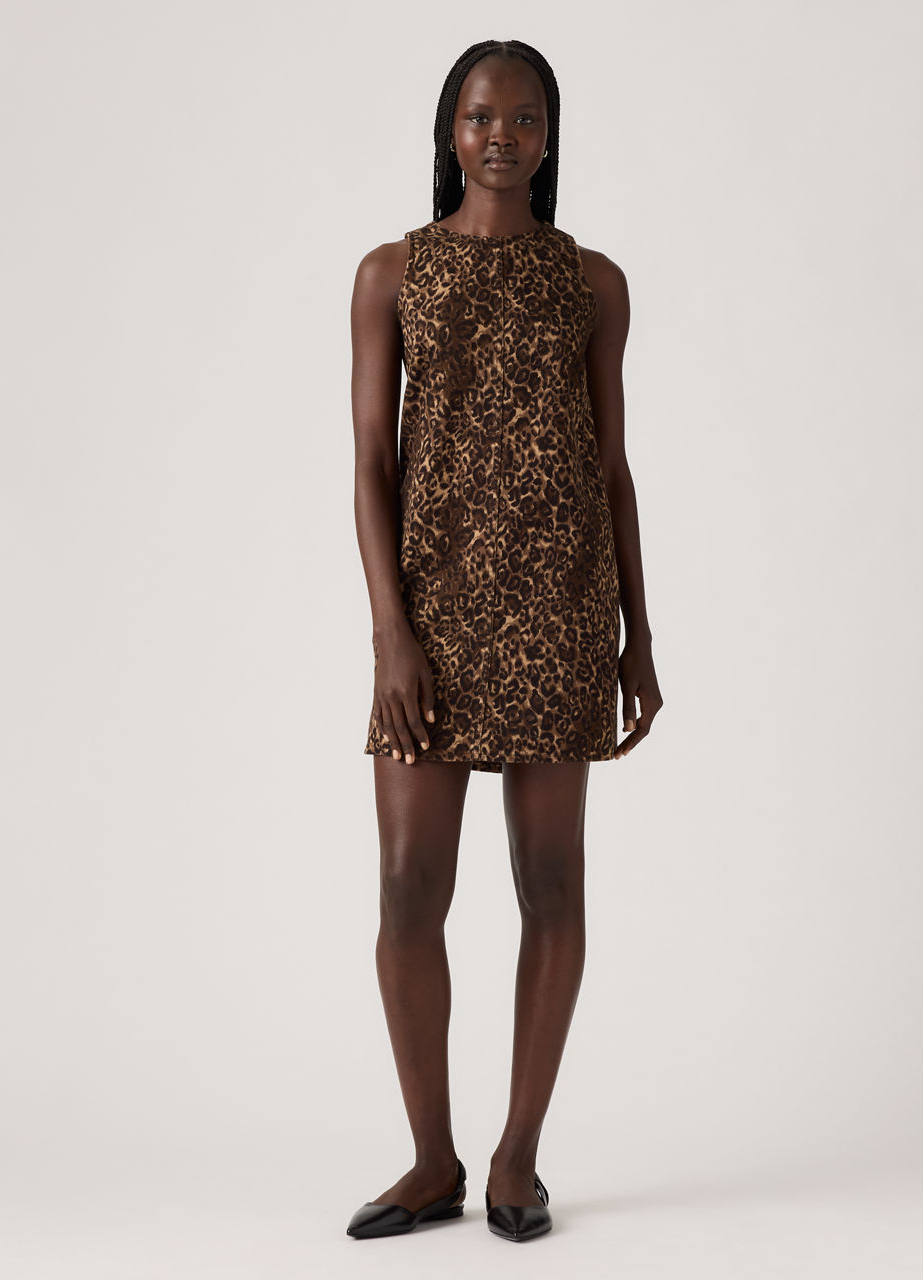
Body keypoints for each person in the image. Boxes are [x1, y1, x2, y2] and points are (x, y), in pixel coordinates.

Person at [346, 39, 662, 1242]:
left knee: (551, 883)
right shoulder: (390, 273)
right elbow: (370, 467)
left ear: (548, 135)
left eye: (524, 118)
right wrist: (390, 630)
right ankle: (429, 1157)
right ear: (449, 129)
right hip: (429, 616)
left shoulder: (592, 284)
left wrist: (636, 633)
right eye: (481, 116)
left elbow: (611, 465)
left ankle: (516, 1156)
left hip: (558, 610)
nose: (500, 136)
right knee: (405, 886)